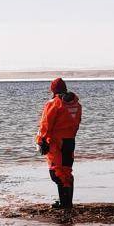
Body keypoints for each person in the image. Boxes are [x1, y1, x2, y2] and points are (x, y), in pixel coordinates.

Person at [36, 77, 82, 217]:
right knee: (67, 172)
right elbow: (77, 122)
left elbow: (46, 123)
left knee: (56, 173)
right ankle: (67, 203)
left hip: (56, 142)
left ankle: (64, 204)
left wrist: (41, 140)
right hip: (70, 141)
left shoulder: (54, 103)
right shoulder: (75, 104)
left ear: (53, 90)